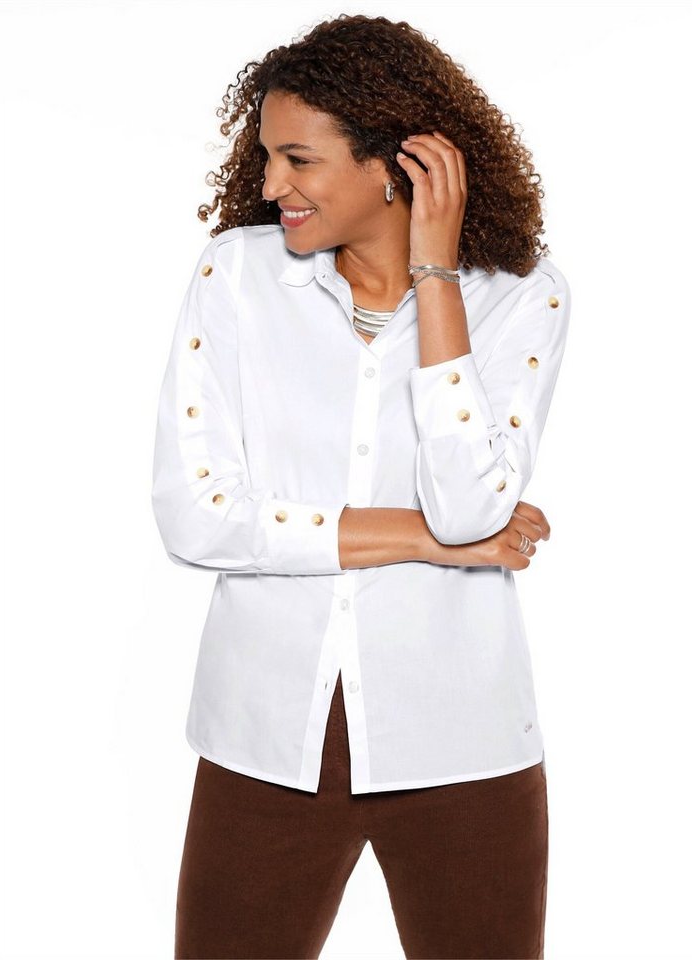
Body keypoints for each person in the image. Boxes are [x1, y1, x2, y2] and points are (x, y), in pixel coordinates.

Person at [151, 13, 570, 960]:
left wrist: (435, 275)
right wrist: (422, 538)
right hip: (265, 737)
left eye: (298, 159)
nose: (270, 186)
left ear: (396, 166)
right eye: (266, 156)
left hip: (462, 739)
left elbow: (470, 507)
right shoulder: (236, 275)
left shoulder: (520, 293)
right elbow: (196, 516)